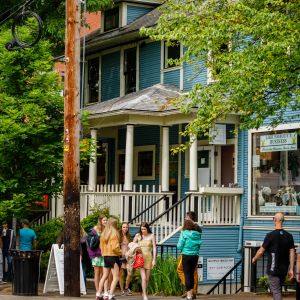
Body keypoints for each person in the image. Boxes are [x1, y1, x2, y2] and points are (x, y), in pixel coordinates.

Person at [252, 213, 295, 300]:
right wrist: (291, 269)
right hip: (284, 270)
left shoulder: (270, 235)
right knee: (277, 291)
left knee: (276, 291)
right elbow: (292, 252)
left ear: (274, 220)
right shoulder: (289, 236)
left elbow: (260, 252)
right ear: (283, 221)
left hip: (273, 269)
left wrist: (254, 258)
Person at [178, 211, 201, 299]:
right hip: (195, 255)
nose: (185, 219)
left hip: (186, 255)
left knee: (187, 274)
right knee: (192, 274)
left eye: (186, 218)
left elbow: (179, 246)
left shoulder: (184, 233)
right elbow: (199, 244)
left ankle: (189, 295)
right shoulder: (198, 232)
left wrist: (181, 232)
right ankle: (192, 292)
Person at [98, 218, 122, 300]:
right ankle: (110, 295)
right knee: (116, 277)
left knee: (104, 276)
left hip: (105, 256)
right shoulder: (114, 233)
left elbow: (100, 247)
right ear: (115, 224)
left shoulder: (104, 233)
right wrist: (120, 252)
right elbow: (115, 247)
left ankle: (99, 294)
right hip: (113, 256)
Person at [133, 222, 157, 300]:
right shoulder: (138, 235)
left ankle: (143, 293)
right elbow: (132, 246)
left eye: (144, 229)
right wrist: (136, 249)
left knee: (147, 278)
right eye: (141, 229)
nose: (143, 230)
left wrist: (154, 259)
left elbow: (154, 248)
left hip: (149, 258)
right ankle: (145, 295)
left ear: (147, 228)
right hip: (140, 258)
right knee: (143, 278)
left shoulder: (152, 235)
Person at [87, 215, 107, 300]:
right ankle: (98, 292)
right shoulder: (95, 229)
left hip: (105, 253)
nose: (105, 222)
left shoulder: (107, 229)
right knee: (97, 273)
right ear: (100, 221)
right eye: (104, 220)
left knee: (104, 273)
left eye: (106, 220)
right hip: (96, 254)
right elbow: (90, 243)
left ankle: (104, 292)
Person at [119, 222, 133, 296]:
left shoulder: (129, 237)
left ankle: (126, 287)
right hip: (120, 257)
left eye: (126, 227)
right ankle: (122, 290)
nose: (125, 229)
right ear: (121, 228)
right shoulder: (118, 236)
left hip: (129, 257)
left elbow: (132, 247)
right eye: (123, 227)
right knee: (121, 274)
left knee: (129, 273)